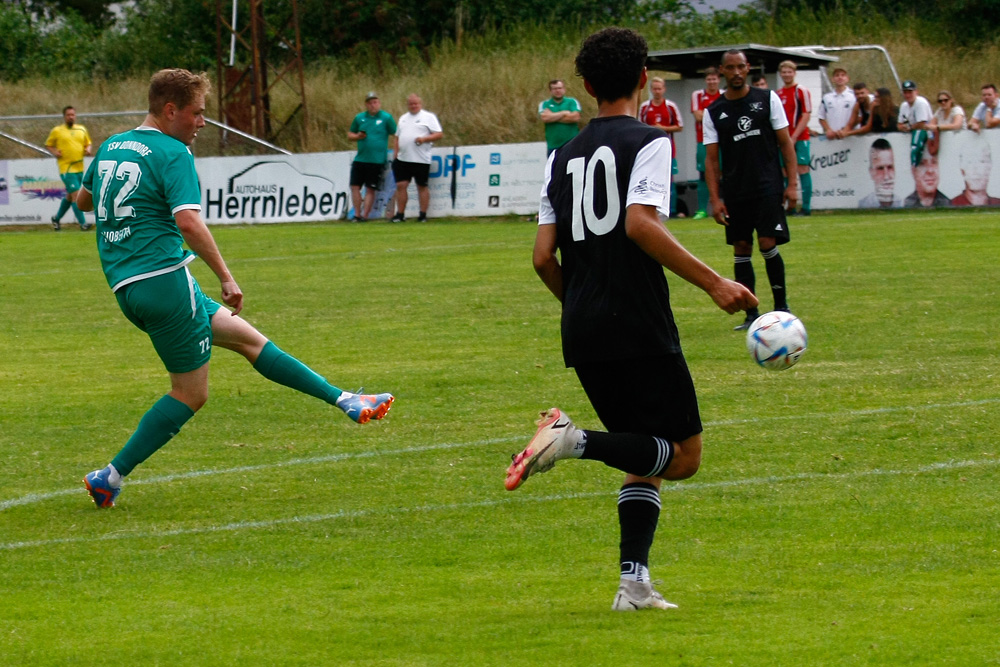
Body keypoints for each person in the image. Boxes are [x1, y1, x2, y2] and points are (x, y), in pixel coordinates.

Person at [505, 28, 756, 612]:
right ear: (644, 78)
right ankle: (573, 441)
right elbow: (640, 223)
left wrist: (582, 301)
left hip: (583, 324)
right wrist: (716, 282)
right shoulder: (650, 140)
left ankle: (633, 585)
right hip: (637, 322)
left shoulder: (560, 158)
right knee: (684, 457)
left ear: (588, 87)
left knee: (644, 452)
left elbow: (543, 257)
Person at [77, 69, 394, 509]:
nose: (202, 122)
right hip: (164, 283)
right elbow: (188, 221)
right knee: (191, 393)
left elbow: (84, 200)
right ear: (171, 111)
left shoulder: (112, 144)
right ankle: (109, 476)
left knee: (249, 340)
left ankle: (345, 400)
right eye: (197, 113)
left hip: (130, 287)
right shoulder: (172, 152)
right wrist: (226, 275)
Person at [704, 49, 798, 331]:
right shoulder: (713, 111)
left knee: (768, 243)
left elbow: (785, 143)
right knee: (741, 247)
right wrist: (715, 199)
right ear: (722, 71)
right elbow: (711, 159)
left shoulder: (768, 100)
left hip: (767, 186)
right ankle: (751, 313)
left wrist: (792, 184)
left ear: (747, 69)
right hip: (735, 191)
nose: (735, 72)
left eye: (740, 67)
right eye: (730, 68)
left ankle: (782, 308)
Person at [390, 94, 443, 222]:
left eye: (415, 104)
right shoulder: (403, 118)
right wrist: (395, 155)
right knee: (401, 185)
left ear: (420, 103)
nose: (413, 106)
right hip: (403, 159)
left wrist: (424, 139)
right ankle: (400, 214)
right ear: (407, 105)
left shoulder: (428, 117)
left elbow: (438, 134)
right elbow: (397, 137)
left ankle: (423, 215)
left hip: (421, 159)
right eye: (411, 104)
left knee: (422, 186)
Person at [347, 91, 397, 221]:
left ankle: (365, 215)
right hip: (361, 158)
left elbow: (396, 133)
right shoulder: (360, 118)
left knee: (370, 188)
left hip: (376, 160)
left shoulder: (386, 118)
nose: (372, 105)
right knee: (355, 186)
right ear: (366, 104)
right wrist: (358, 136)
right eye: (370, 103)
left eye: (375, 102)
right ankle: (357, 214)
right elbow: (350, 134)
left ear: (379, 103)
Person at [639, 77, 684, 217]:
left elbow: (679, 126)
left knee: (669, 179)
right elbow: (639, 127)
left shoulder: (670, 106)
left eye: (660, 89)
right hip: (649, 150)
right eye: (655, 89)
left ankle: (672, 210)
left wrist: (662, 128)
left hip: (668, 149)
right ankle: (653, 210)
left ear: (664, 89)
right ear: (651, 90)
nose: (657, 91)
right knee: (649, 179)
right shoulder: (645, 107)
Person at [45, 106, 93, 231]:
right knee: (76, 195)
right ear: (64, 116)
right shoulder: (57, 130)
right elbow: (48, 144)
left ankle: (56, 218)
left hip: (79, 168)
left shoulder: (81, 129)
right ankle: (83, 224)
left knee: (70, 196)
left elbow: (88, 143)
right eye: (68, 115)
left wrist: (88, 149)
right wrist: (55, 152)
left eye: (73, 114)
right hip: (66, 169)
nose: (71, 117)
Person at [776, 60, 813, 215]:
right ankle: (789, 207)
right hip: (783, 140)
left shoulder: (801, 90)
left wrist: (795, 136)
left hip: (800, 137)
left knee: (802, 169)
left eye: (789, 71)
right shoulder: (778, 94)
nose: (786, 74)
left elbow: (806, 114)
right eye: (784, 72)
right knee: (785, 171)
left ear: (794, 72)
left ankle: (806, 208)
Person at [690, 67, 723, 219]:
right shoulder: (698, 95)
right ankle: (702, 209)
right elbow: (698, 116)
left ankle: (726, 205)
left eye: (714, 79)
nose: (712, 82)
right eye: (709, 79)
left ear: (719, 80)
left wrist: (707, 114)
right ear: (705, 81)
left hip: (724, 140)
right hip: (703, 140)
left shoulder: (723, 95)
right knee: (704, 174)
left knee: (726, 173)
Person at [898, 80, 937, 168]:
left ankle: (915, 163)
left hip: (926, 132)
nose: (907, 95)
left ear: (916, 92)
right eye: (905, 92)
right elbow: (899, 124)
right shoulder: (903, 105)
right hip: (911, 131)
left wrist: (909, 127)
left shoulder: (921, 102)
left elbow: (921, 123)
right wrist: (903, 127)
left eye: (910, 92)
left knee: (916, 144)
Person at [950, 138, 1000, 206]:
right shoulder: (952, 205)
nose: (976, 170)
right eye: (970, 162)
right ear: (962, 170)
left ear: (989, 167)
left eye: (982, 161)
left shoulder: (997, 204)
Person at [538, 79, 581, 155]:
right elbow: (545, 118)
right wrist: (563, 113)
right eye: (554, 89)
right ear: (550, 91)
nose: (557, 91)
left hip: (572, 144)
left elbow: (576, 117)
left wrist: (552, 116)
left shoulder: (572, 101)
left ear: (564, 89)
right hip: (553, 146)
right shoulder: (545, 104)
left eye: (560, 88)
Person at [858, 138, 902, 208]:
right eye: (880, 168)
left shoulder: (902, 203)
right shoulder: (863, 205)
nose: (886, 176)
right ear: (871, 173)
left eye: (890, 167)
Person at [817, 68, 855, 140]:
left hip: (851, 136)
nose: (840, 77)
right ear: (833, 79)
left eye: (843, 75)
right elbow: (821, 117)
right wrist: (828, 130)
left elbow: (858, 117)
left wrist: (846, 129)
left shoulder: (854, 96)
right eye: (837, 75)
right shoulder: (827, 97)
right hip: (833, 137)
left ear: (847, 78)